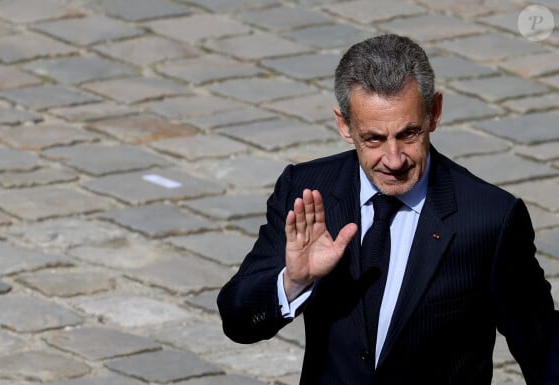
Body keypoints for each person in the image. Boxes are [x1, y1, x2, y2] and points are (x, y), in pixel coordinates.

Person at [217, 34, 558, 385]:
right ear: (344, 126)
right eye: (374, 139)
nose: (394, 160)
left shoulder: (489, 218)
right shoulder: (307, 191)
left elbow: (544, 349)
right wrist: (294, 281)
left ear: (434, 112)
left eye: (409, 134)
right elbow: (237, 321)